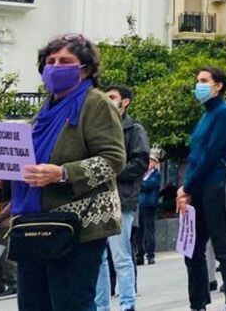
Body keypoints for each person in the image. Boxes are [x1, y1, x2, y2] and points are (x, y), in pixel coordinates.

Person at [0, 33, 126, 311]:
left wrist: (62, 173)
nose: (55, 66)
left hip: (79, 227)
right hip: (34, 224)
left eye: (65, 61)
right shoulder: (42, 114)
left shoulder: (96, 103)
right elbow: (27, 170)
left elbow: (113, 160)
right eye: (50, 61)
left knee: (71, 305)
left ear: (86, 69)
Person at [178, 66, 226, 311]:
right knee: (192, 250)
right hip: (198, 187)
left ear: (218, 86)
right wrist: (186, 188)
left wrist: (187, 185)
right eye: (197, 80)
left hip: (217, 185)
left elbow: (211, 154)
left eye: (204, 80)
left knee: (223, 244)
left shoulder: (224, 112)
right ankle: (198, 303)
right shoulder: (205, 116)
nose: (199, 85)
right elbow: (195, 155)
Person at [95, 85, 150, 311]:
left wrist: (112, 171)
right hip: (98, 198)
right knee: (98, 257)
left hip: (122, 198)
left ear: (125, 102)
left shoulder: (135, 129)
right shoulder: (100, 127)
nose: (107, 101)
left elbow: (140, 162)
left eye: (112, 97)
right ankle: (101, 305)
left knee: (121, 255)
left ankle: (128, 303)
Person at [136, 151, 162, 265]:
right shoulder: (142, 174)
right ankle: (139, 255)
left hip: (149, 205)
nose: (149, 163)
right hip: (139, 205)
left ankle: (150, 255)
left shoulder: (156, 174)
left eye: (151, 161)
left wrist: (139, 184)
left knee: (149, 230)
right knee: (139, 231)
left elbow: (147, 185)